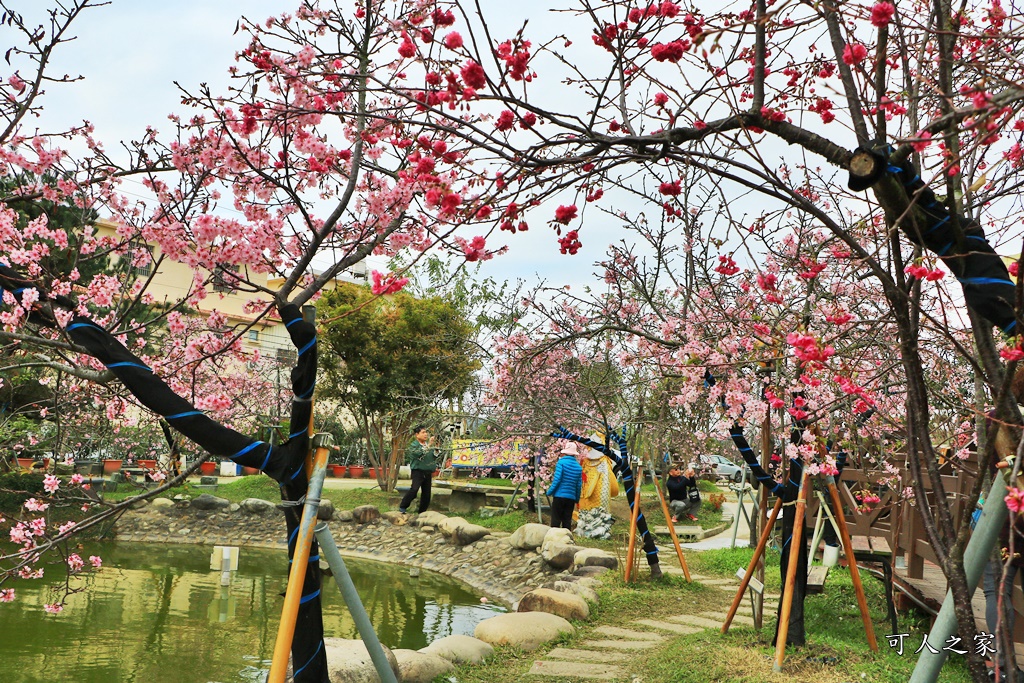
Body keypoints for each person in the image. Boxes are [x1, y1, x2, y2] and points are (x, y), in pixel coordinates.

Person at [399, 425, 438, 514]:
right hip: (418, 471)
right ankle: (403, 506)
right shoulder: (414, 445)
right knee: (414, 489)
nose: (426, 434)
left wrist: (436, 449)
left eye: (426, 432)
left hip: (427, 472)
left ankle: (422, 512)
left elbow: (433, 456)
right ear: (417, 435)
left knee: (426, 493)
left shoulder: (428, 445)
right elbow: (419, 454)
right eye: (423, 432)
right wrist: (429, 445)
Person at [546, 441, 583, 529]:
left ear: (565, 452)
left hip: (559, 496)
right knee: (567, 521)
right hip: (571, 498)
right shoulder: (578, 467)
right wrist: (577, 499)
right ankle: (566, 540)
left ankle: (554, 540)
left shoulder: (561, 463)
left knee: (556, 520)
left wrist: (550, 492)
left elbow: (557, 479)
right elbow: (578, 485)